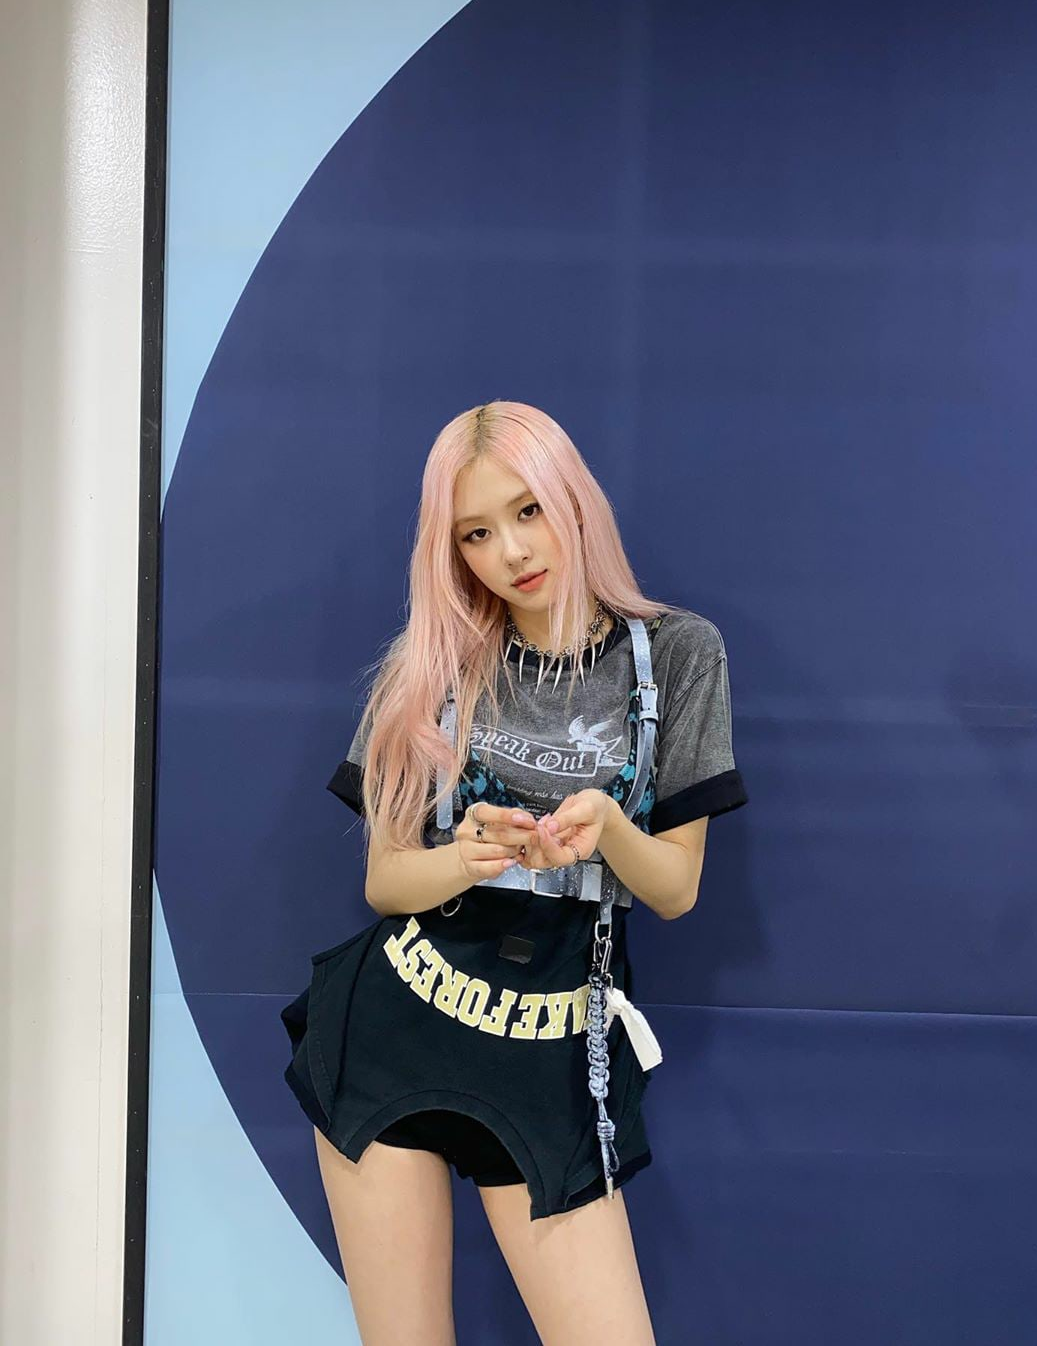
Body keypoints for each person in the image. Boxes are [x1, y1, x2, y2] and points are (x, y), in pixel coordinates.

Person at [280, 400, 748, 1344]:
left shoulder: (678, 653)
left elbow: (675, 888)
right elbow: (385, 882)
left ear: (571, 499)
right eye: (477, 533)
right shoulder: (434, 661)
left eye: (527, 510)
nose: (512, 551)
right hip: (401, 1024)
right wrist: (466, 855)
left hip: (552, 1050)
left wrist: (607, 826)